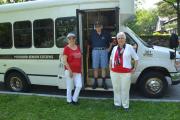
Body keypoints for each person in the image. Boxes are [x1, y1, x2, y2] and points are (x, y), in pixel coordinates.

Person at [109, 32, 139, 111]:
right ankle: (117, 104)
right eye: (119, 38)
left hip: (125, 73)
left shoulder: (129, 47)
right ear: (117, 40)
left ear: (125, 39)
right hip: (114, 72)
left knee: (125, 89)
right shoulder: (115, 48)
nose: (120, 39)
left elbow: (136, 58)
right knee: (116, 88)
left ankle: (125, 105)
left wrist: (134, 68)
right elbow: (111, 58)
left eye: (122, 38)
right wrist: (110, 68)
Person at [89, 21, 112, 89]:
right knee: (95, 68)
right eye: (96, 26)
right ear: (95, 27)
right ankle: (95, 83)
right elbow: (89, 43)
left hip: (104, 51)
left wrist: (109, 49)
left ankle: (103, 83)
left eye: (99, 26)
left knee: (103, 68)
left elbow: (111, 42)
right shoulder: (92, 33)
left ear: (101, 26)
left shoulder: (106, 33)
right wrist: (88, 52)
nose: (97, 27)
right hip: (95, 51)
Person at [63, 32, 82, 105]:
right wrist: (70, 71)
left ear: (75, 39)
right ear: (68, 40)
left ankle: (74, 99)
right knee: (70, 87)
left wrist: (81, 68)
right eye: (69, 38)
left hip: (78, 71)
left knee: (79, 85)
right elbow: (64, 61)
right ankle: (69, 100)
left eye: (73, 38)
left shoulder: (78, 47)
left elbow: (80, 58)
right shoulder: (66, 48)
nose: (71, 39)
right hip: (69, 71)